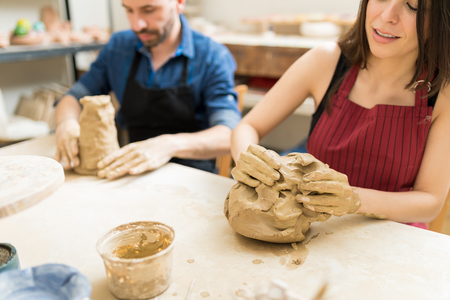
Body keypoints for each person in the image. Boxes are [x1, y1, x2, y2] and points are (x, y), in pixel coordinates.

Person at [230, 0, 450, 229]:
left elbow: (430, 201)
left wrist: (354, 199)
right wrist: (249, 158)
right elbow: (248, 127)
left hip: (395, 237)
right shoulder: (327, 61)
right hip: (315, 229)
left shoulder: (442, 93)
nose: (387, 16)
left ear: (438, 21)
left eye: (412, 6)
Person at [54, 0, 241, 178]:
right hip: (130, 170)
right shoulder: (118, 47)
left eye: (149, 9)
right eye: (129, 10)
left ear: (179, 3)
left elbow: (229, 134)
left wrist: (168, 145)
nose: (137, 25)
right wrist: (66, 123)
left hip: (192, 176)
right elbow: (73, 97)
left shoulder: (212, 56)